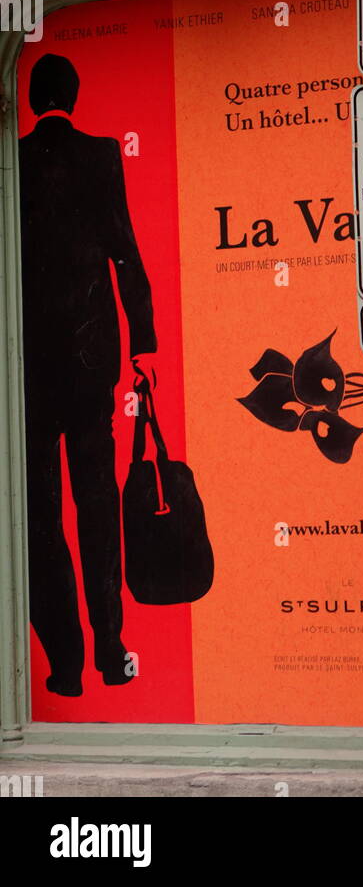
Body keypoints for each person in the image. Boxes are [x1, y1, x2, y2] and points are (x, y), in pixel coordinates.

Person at [19, 53, 156, 696]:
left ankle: (65, 666)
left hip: (27, 368)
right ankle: (110, 648)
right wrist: (142, 345)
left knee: (41, 514)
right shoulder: (101, 155)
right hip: (89, 358)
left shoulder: (12, 161)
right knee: (96, 503)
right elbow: (125, 252)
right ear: (72, 97)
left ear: (32, 99)